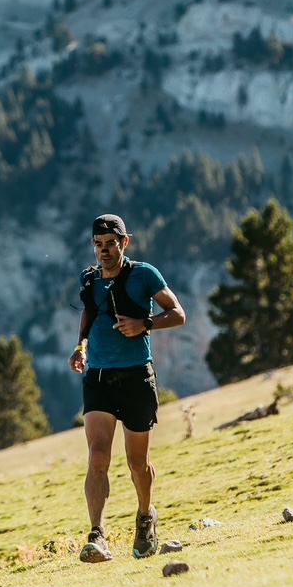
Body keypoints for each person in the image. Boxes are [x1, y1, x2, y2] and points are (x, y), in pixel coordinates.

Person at [69, 214, 186, 563]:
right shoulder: (89, 280)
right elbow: (89, 316)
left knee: (138, 463)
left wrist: (144, 323)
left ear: (125, 242)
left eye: (111, 244)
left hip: (136, 378)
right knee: (98, 457)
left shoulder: (144, 274)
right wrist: (80, 347)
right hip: (99, 379)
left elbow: (178, 313)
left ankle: (145, 516)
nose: (104, 251)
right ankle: (97, 536)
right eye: (98, 245)